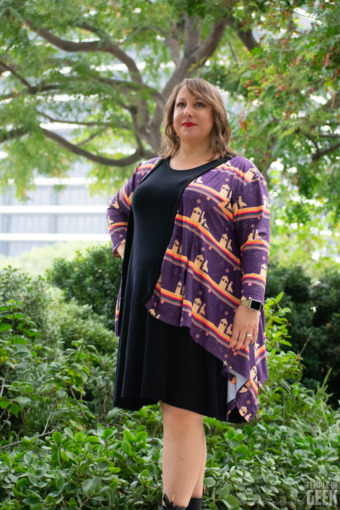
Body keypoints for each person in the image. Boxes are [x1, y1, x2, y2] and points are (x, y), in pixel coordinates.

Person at [106, 78, 270, 510]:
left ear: (215, 113)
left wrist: (250, 307)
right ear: (170, 115)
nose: (188, 111)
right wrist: (127, 251)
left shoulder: (239, 172)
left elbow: (257, 242)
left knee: (180, 411)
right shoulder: (148, 171)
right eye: (180, 104)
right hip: (149, 304)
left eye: (199, 104)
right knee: (178, 413)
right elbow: (117, 210)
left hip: (202, 310)